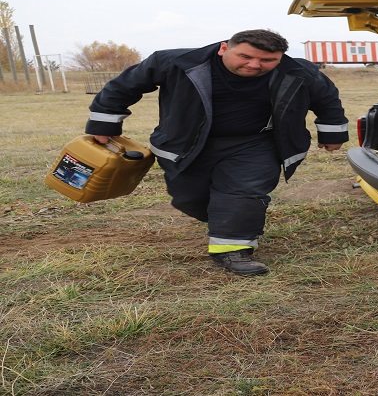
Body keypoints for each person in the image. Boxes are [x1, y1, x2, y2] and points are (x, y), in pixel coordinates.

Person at [85, 29, 349, 276]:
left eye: (267, 60)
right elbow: (124, 86)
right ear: (224, 48)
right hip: (187, 142)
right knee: (189, 196)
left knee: (242, 191)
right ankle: (228, 219)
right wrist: (104, 123)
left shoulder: (298, 71)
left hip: (256, 144)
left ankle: (233, 250)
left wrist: (332, 133)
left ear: (280, 58)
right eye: (245, 56)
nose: (254, 65)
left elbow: (326, 98)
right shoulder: (178, 61)